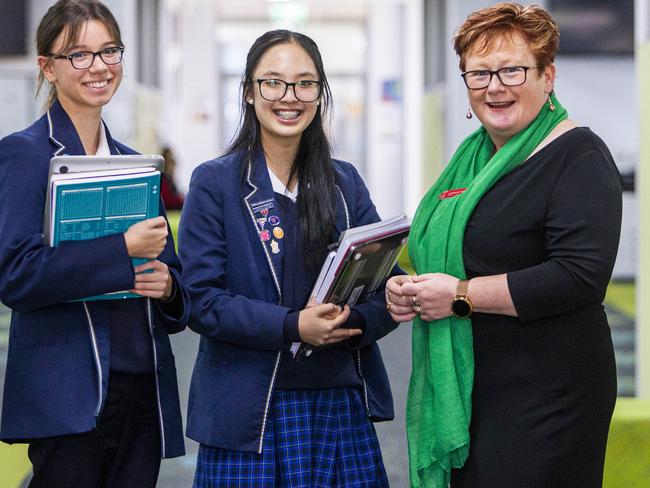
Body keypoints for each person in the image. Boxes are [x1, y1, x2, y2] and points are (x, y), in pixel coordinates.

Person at [386, 3, 622, 487]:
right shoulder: (472, 159)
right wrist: (408, 287)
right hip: (477, 385)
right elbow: (450, 251)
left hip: (549, 392)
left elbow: (578, 278)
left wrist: (459, 296)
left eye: (512, 69)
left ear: (547, 75)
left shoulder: (578, 154)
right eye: (479, 74)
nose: (494, 86)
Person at [179, 29, 399, 487]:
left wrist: (365, 313)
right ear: (248, 92)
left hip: (338, 406)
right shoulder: (216, 184)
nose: (289, 97)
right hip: (248, 412)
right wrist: (293, 326)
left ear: (320, 94)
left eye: (305, 83)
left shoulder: (344, 183)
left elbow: (384, 287)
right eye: (273, 82)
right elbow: (202, 301)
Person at [0, 1, 189, 486]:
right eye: (79, 55)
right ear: (47, 66)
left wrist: (169, 286)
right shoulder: (24, 155)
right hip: (68, 391)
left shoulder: (135, 163)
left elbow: (175, 288)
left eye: (109, 51)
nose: (99, 66)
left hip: (139, 382)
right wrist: (120, 249)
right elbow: (16, 276)